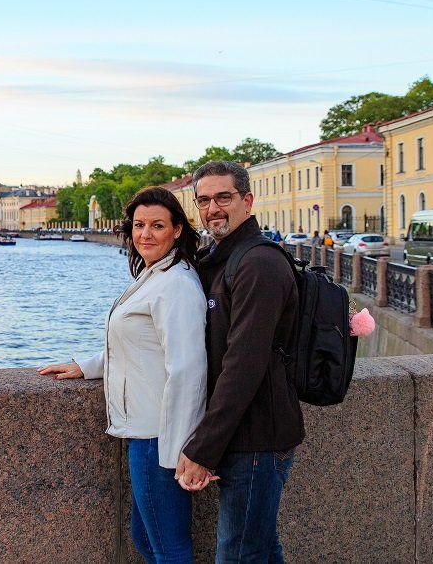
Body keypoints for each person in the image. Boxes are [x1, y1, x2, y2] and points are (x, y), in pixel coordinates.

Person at [39, 186, 207, 563]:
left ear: (177, 229)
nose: (145, 234)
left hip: (159, 438)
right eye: (139, 225)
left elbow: (188, 369)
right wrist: (88, 365)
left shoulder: (175, 285)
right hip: (145, 433)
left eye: (157, 225)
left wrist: (185, 449)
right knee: (148, 540)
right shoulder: (157, 275)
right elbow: (138, 346)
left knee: (168, 548)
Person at [175, 161, 304, 563]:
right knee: (261, 549)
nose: (213, 208)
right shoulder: (219, 259)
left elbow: (243, 365)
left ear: (247, 201)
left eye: (224, 198)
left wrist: (202, 448)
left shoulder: (258, 264)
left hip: (258, 438)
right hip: (244, 435)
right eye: (204, 200)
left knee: (239, 555)